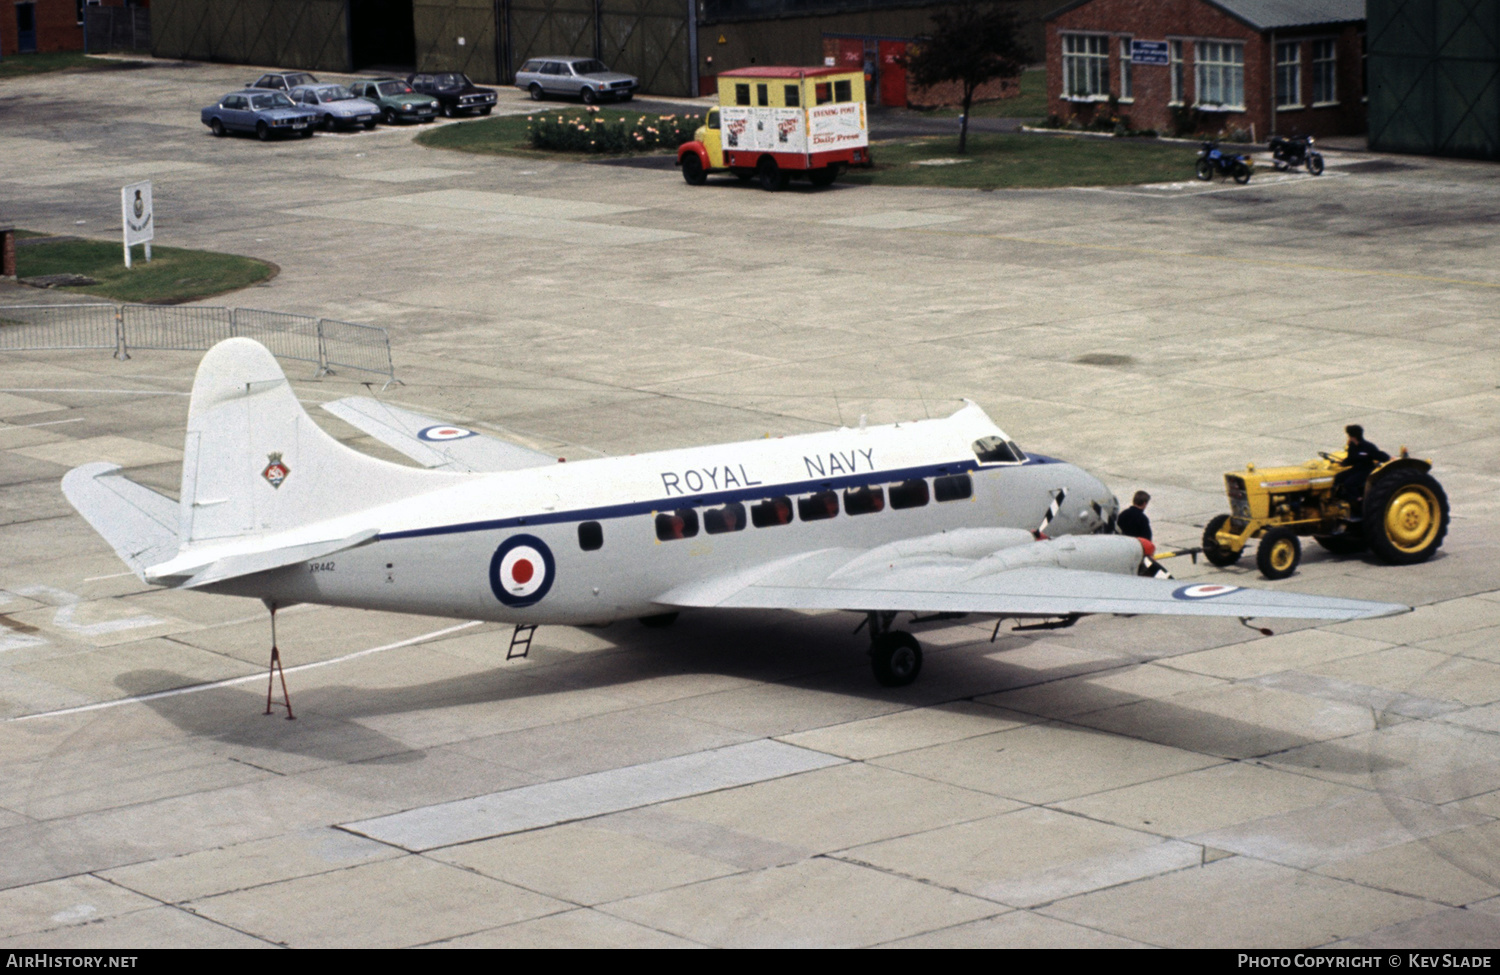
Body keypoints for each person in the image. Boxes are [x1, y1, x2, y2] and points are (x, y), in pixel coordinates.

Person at [1334, 424, 1390, 507]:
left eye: (1349, 435)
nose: (1348, 437)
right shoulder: (1352, 446)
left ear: (1353, 436)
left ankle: (1358, 500)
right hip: (1356, 469)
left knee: (1349, 483)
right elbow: (1351, 459)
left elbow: (1382, 456)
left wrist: (1388, 459)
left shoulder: (1368, 447)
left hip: (1366, 470)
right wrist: (1342, 463)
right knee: (1338, 477)